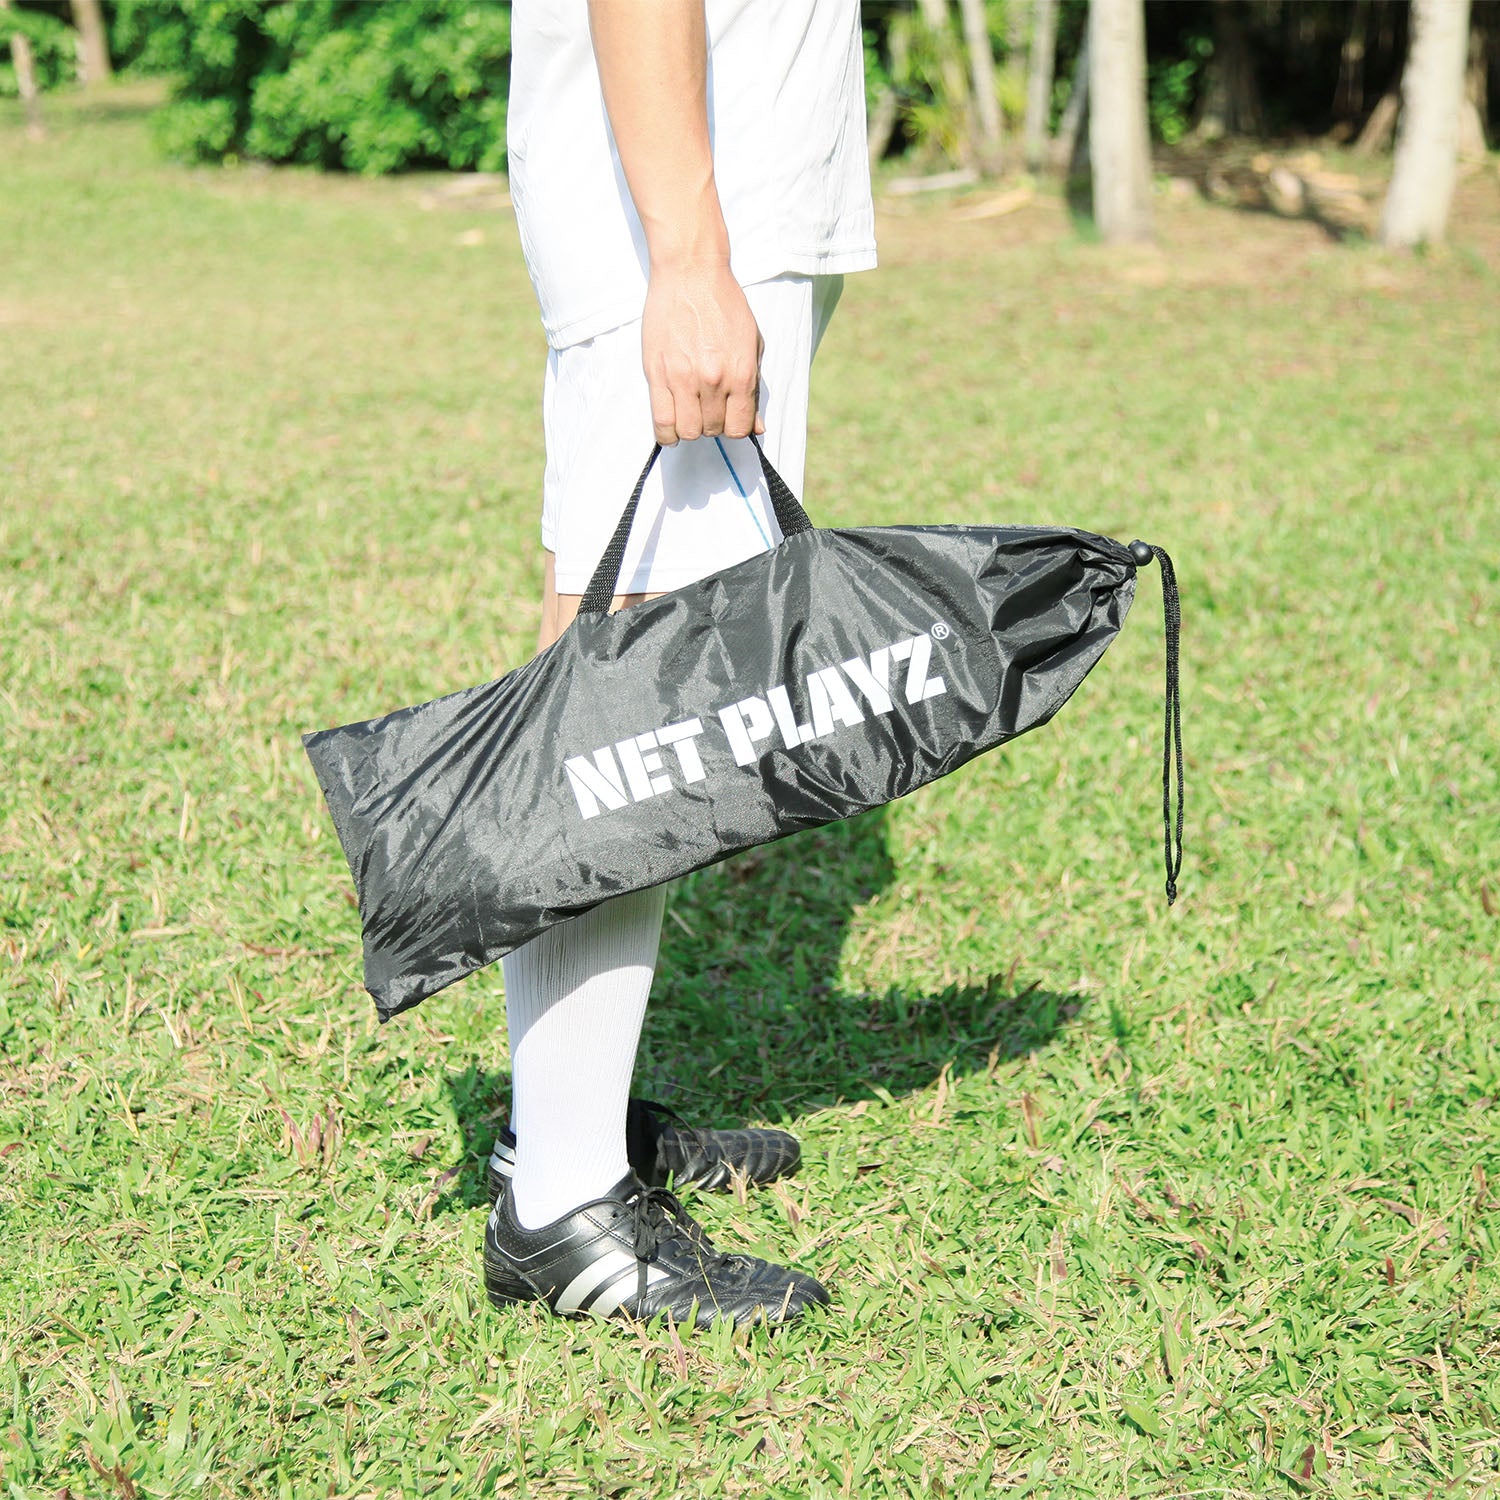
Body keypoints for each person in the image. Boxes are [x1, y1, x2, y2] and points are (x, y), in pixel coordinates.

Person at [483, 0, 876, 1329]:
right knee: (627, 690)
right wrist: (692, 255)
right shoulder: (689, 238)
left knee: (633, 674)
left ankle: (564, 1128)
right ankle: (564, 1205)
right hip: (684, 214)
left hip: (721, 190)